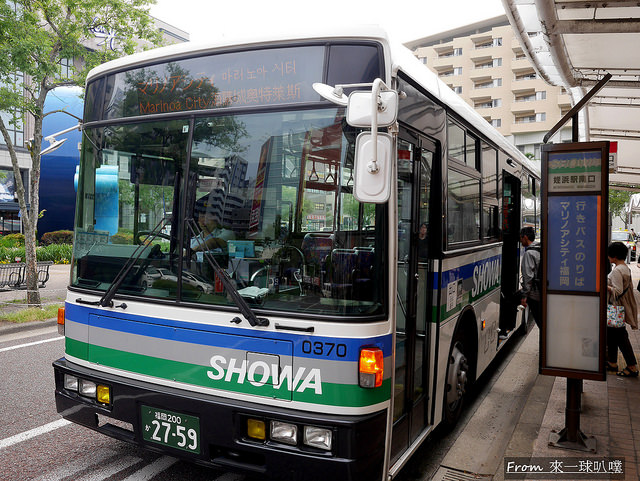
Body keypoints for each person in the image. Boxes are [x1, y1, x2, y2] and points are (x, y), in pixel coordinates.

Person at [607, 241, 639, 377]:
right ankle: (612, 362)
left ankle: (632, 366)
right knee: (613, 335)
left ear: (613, 256)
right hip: (619, 308)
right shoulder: (625, 268)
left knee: (621, 337)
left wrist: (604, 286)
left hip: (616, 308)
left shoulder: (617, 271)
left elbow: (618, 291)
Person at [519, 226, 541, 329]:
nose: (520, 240)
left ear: (526, 237)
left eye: (521, 237)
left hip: (534, 295)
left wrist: (524, 296)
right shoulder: (539, 249)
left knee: (541, 323)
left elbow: (528, 277)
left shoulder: (529, 253)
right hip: (541, 292)